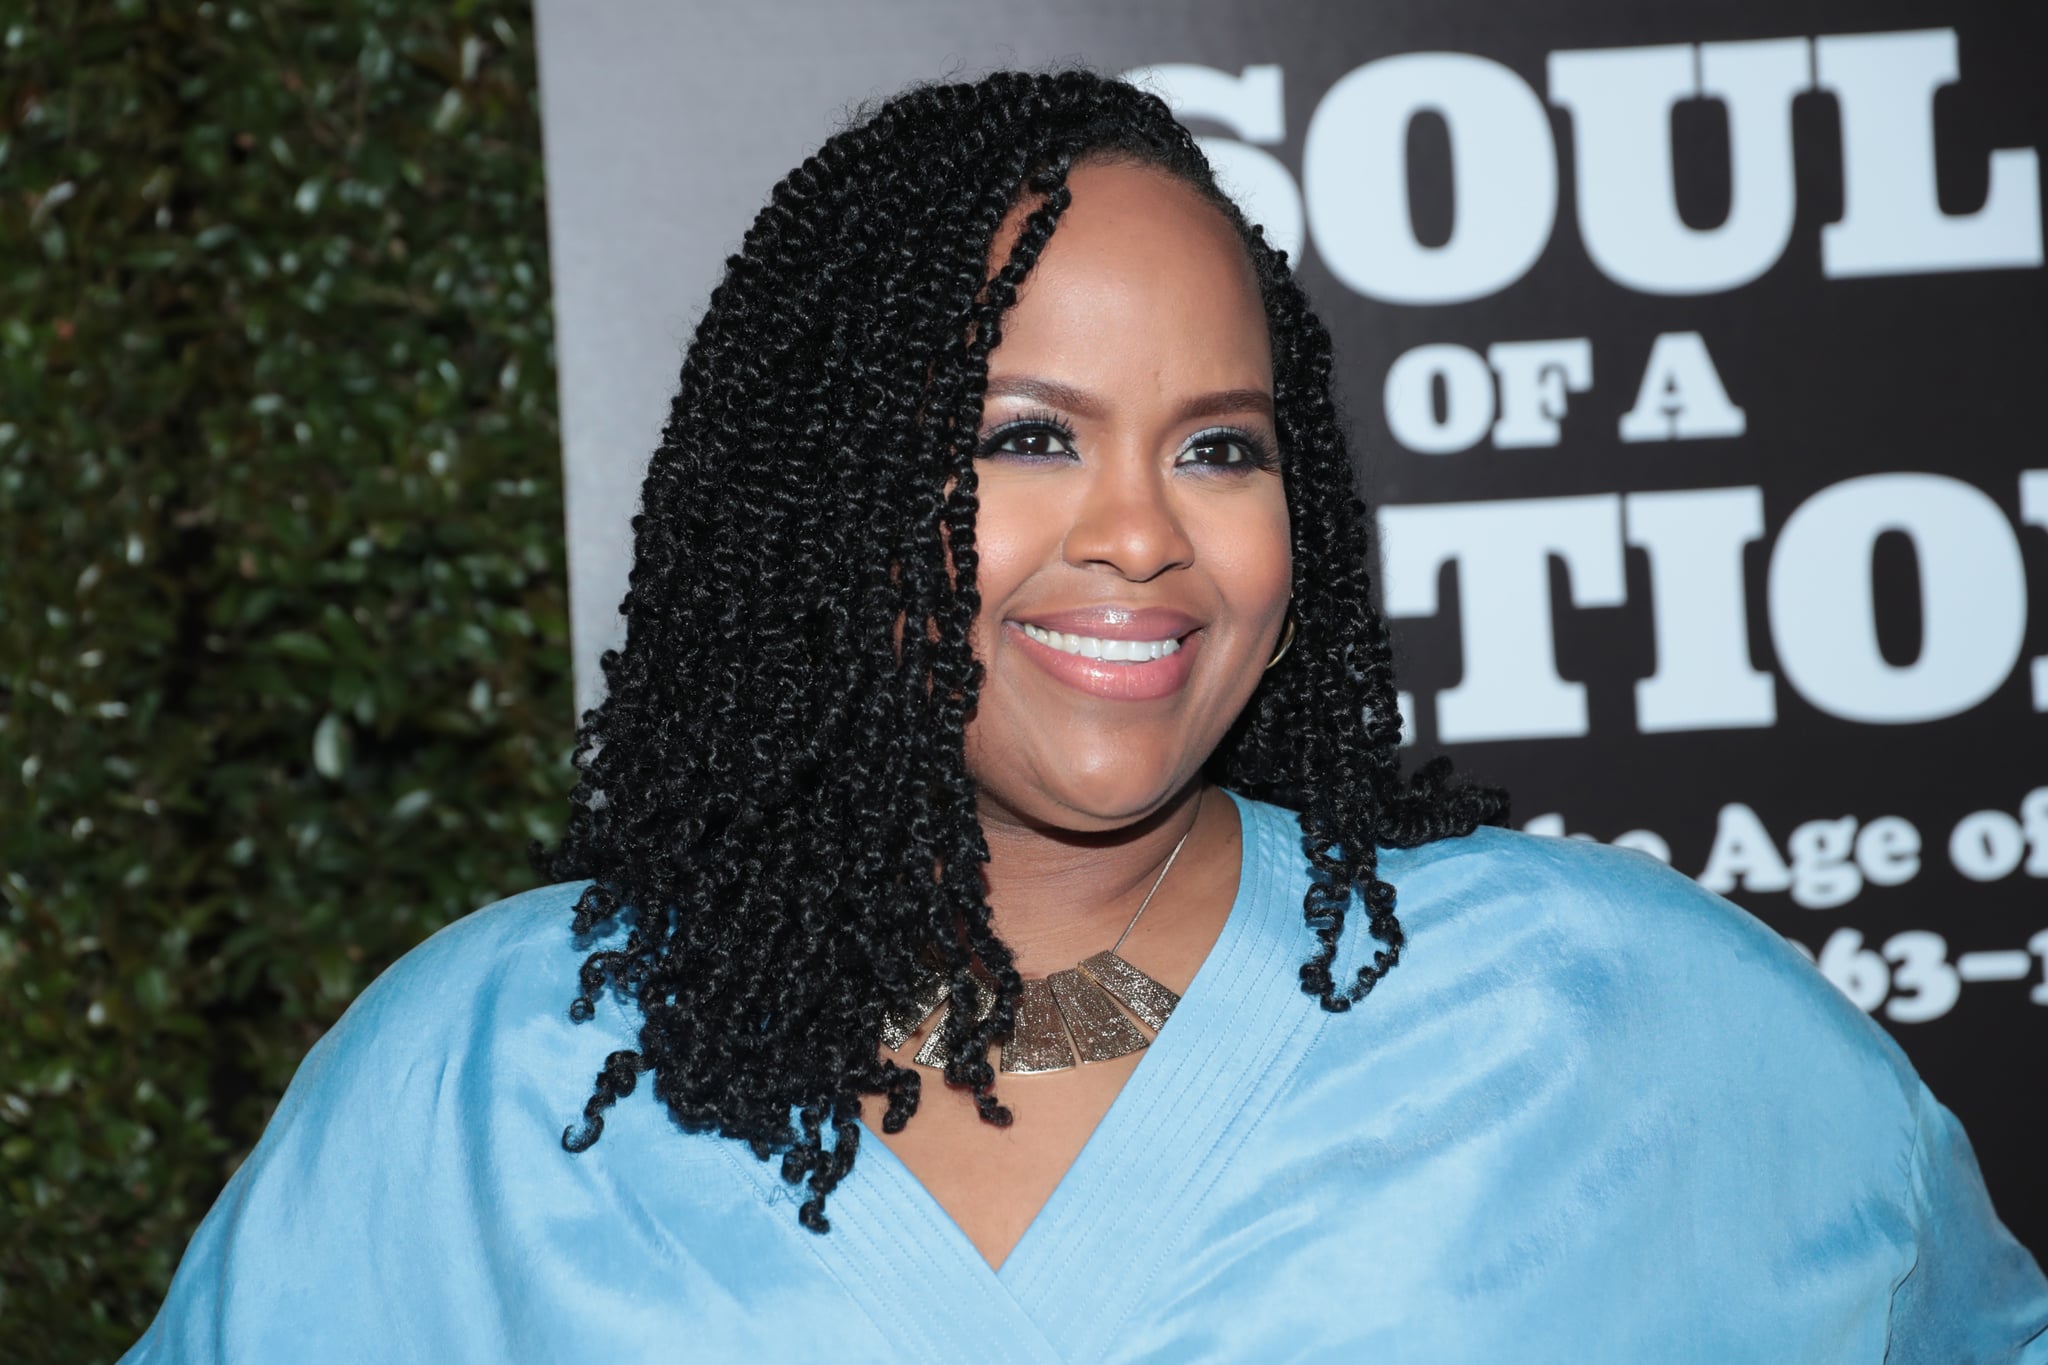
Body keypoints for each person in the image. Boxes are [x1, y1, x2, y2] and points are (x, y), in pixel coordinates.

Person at [126, 68, 2046, 1363]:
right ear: (823, 491)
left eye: (1220, 445)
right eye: (1024, 438)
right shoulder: (484, 1079)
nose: (1143, 534)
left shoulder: (1627, 1023)